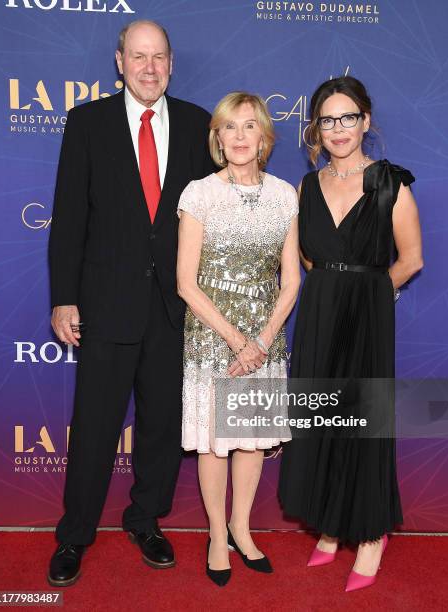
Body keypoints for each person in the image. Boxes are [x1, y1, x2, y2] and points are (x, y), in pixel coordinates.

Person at [47, 20, 214, 587]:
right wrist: (64, 299)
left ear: (171, 62)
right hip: (106, 305)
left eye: (159, 57)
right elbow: (69, 219)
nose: (149, 68)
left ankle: (146, 519)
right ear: (119, 61)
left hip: (175, 309)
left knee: (162, 427)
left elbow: (212, 217)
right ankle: (74, 535)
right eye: (138, 57)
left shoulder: (198, 125)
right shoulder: (87, 122)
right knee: (94, 427)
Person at [278, 76, 423, 592]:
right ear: (316, 127)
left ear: (366, 120)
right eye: (328, 119)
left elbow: (411, 260)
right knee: (322, 417)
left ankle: (369, 535)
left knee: (364, 421)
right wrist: (333, 285)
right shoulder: (305, 187)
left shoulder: (390, 185)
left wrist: (367, 290)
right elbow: (309, 256)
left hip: (368, 311)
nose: (338, 128)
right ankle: (333, 523)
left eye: (348, 117)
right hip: (320, 308)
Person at [177, 92, 300, 586]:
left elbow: (291, 280)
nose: (241, 137)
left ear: (265, 137)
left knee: (251, 442)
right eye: (231, 127)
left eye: (250, 127)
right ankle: (214, 534)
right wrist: (235, 340)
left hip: (265, 341)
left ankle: (241, 528)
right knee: (216, 444)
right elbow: (186, 281)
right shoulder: (200, 193)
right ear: (218, 138)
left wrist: (262, 341)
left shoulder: (285, 195)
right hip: (212, 341)